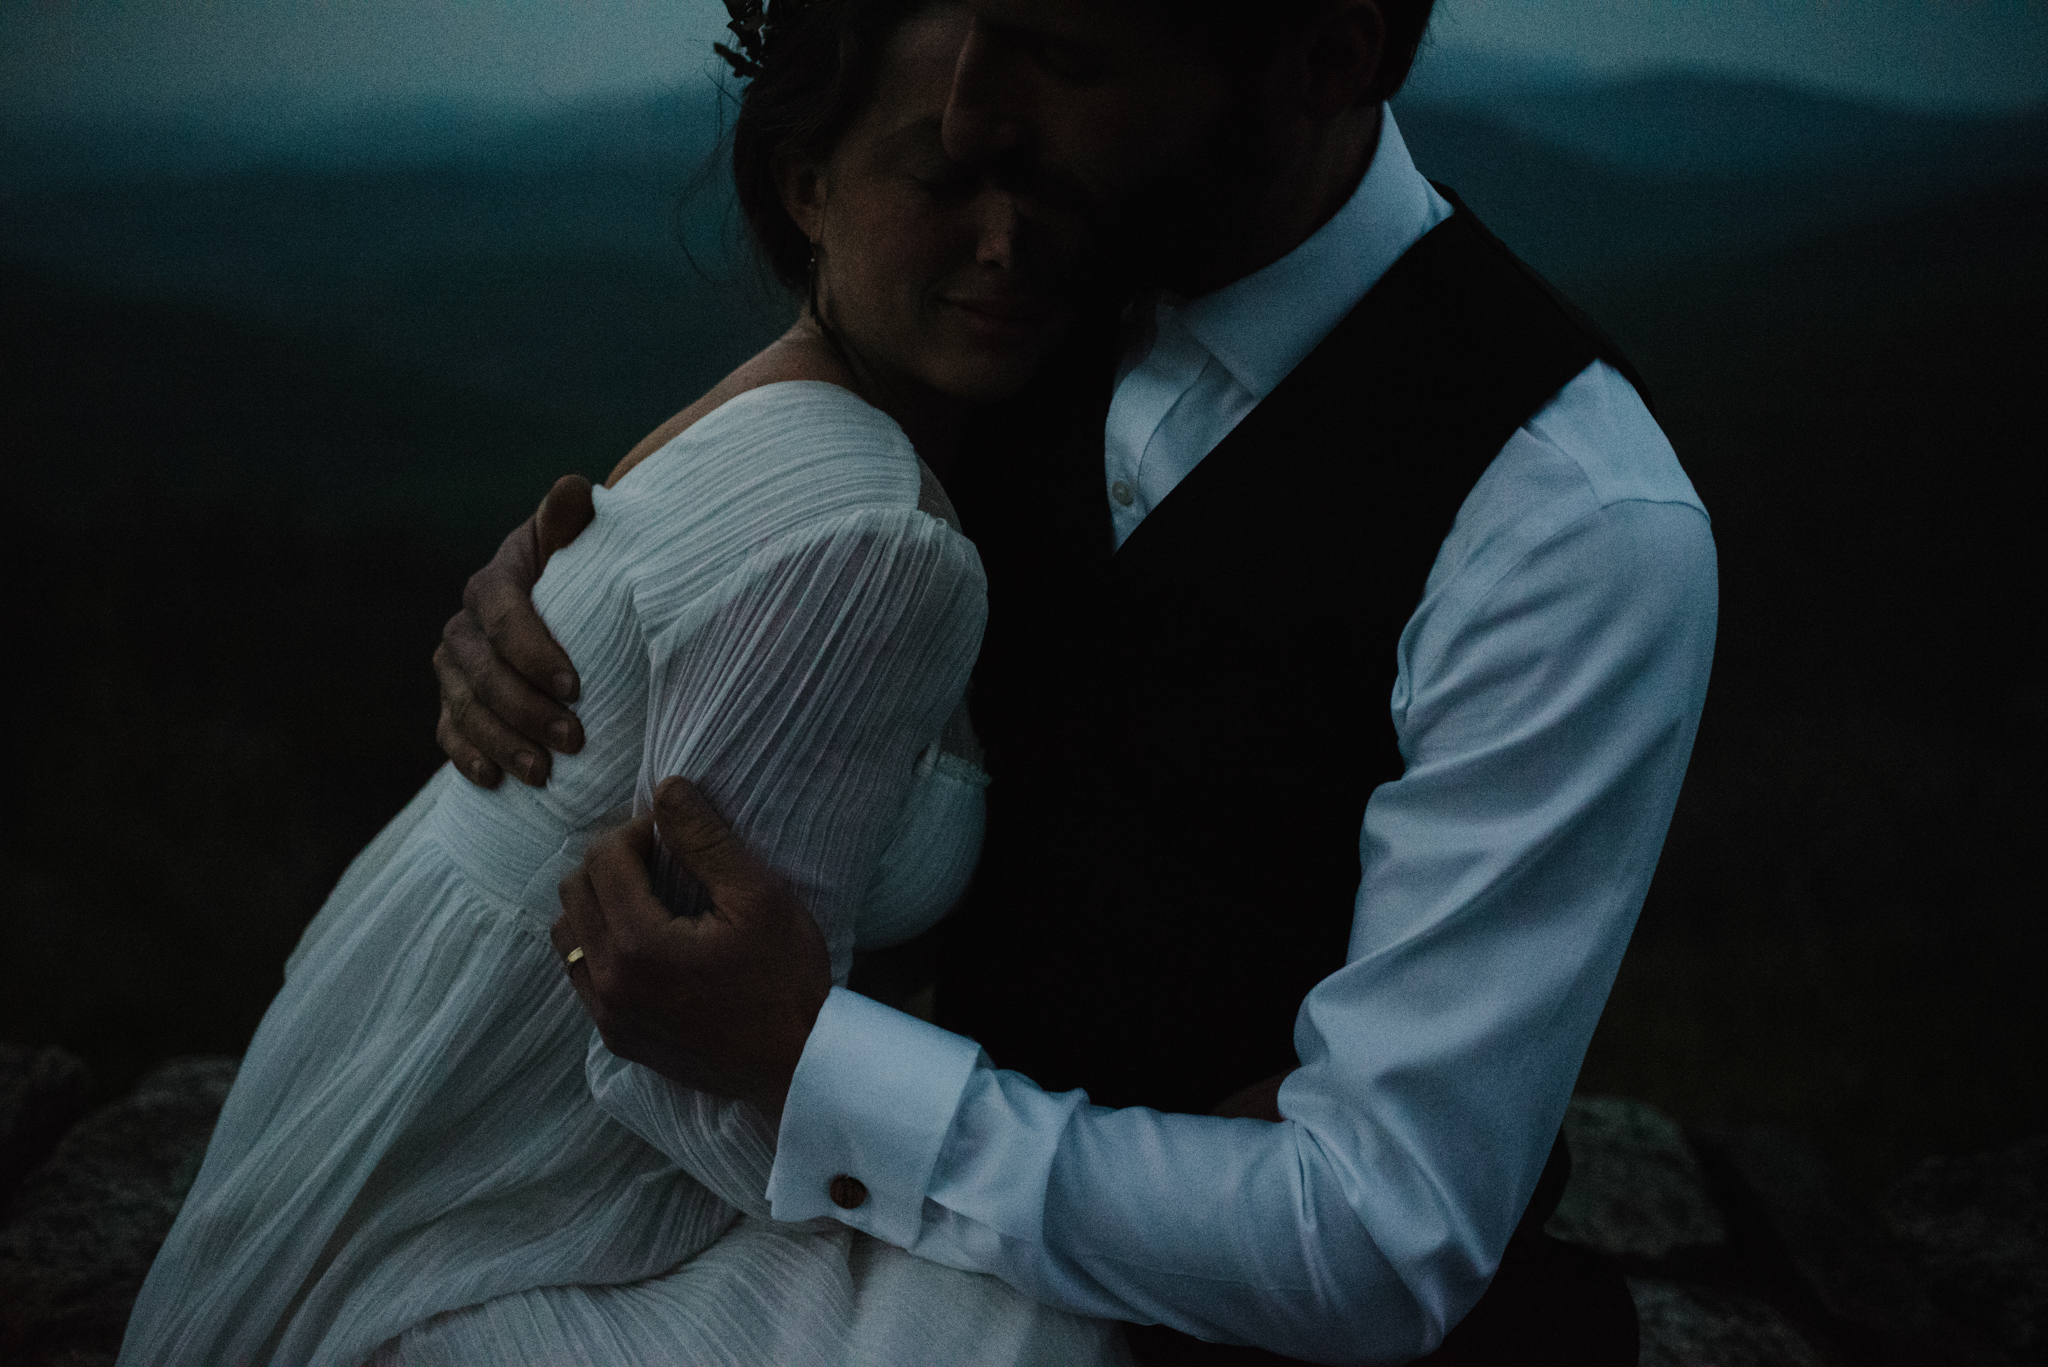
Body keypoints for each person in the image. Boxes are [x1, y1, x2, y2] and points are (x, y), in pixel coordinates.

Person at [442, 1, 1719, 1363]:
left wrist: (814, 1062)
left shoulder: (1567, 523)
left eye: (1062, 52)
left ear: (1330, 51)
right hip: (863, 1263)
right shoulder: (1017, 301)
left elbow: (1374, 1235)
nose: (971, 108)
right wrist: (570, 588)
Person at [117, 4, 1134, 1363]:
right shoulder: (879, 535)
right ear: (807, 186)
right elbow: (709, 1060)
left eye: (1047, 184)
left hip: (392, 1122)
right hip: (505, 1213)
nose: (1008, 240)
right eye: (942, 178)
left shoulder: (770, 412)